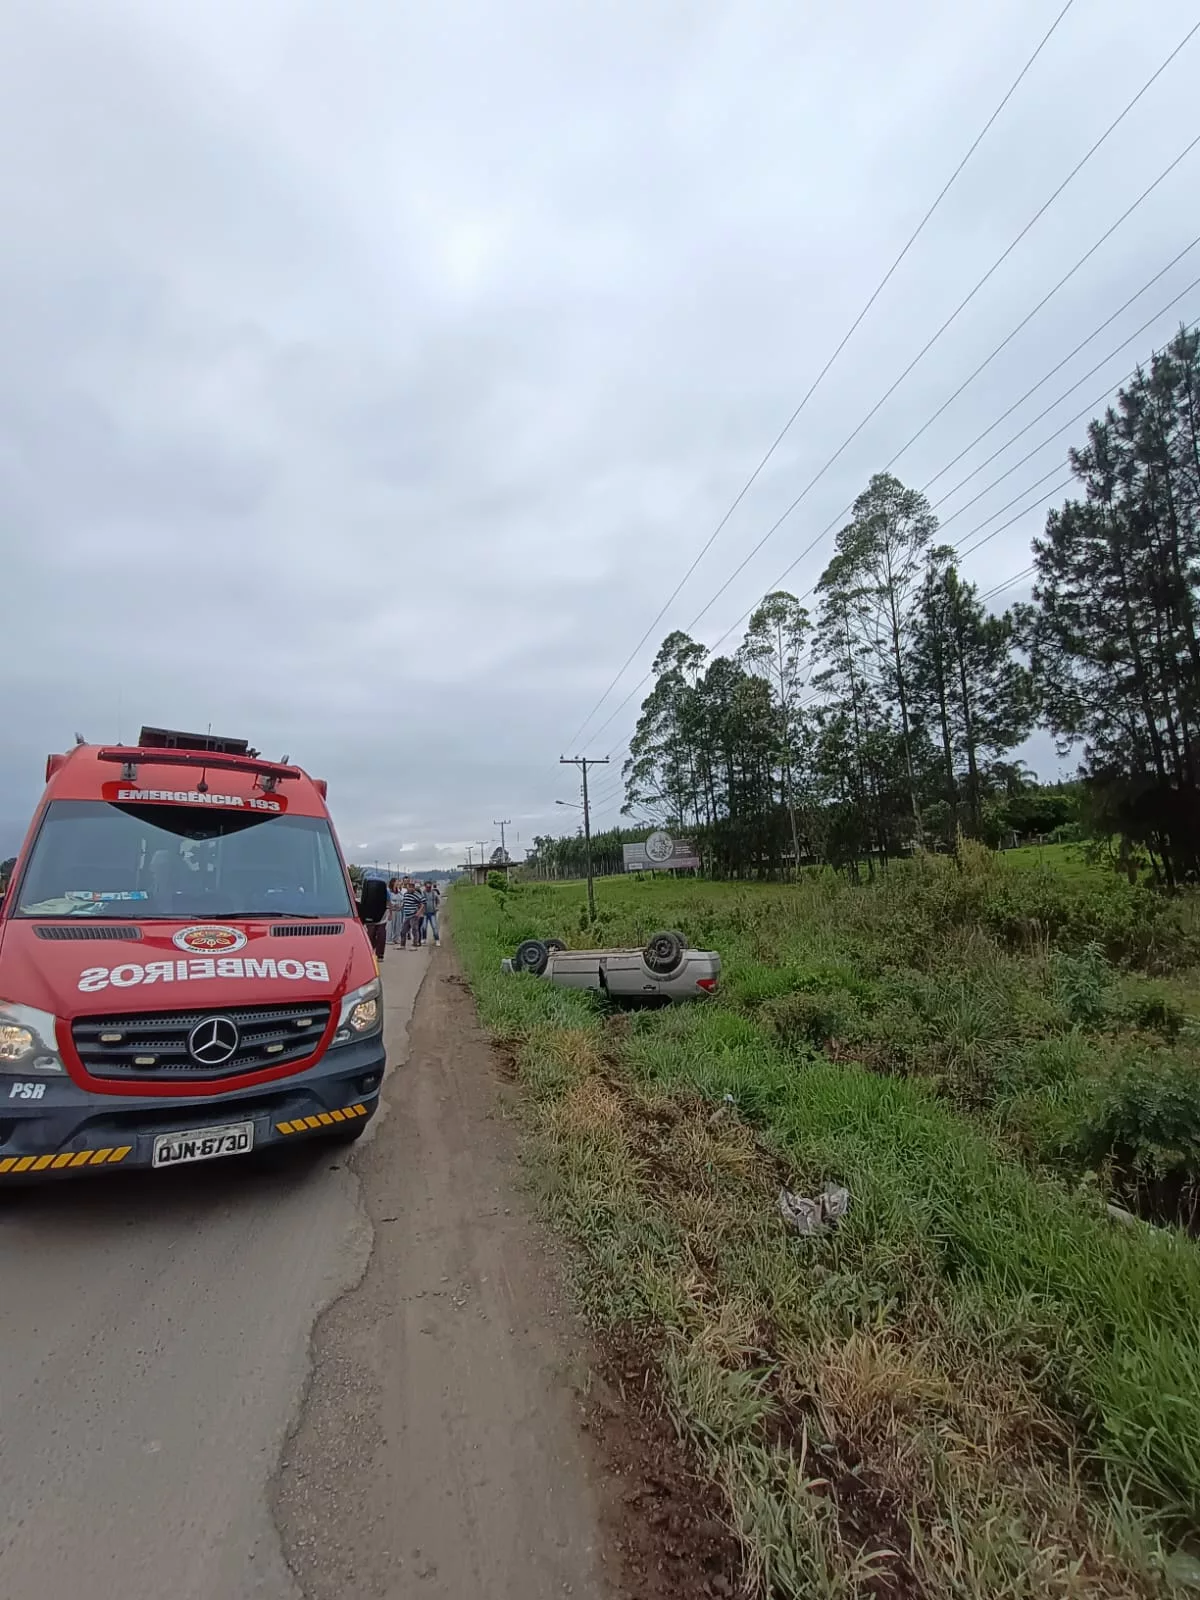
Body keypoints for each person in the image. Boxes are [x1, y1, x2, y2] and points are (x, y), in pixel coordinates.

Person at [397, 879, 424, 948]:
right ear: (407, 887)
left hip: (413, 915)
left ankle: (415, 944)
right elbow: (404, 902)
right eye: (409, 886)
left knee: (414, 930)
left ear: (414, 887)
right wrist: (401, 907)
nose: (411, 888)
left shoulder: (416, 894)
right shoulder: (406, 894)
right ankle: (402, 945)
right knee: (403, 930)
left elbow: (423, 903)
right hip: (407, 915)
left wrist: (419, 912)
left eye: (412, 887)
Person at [421, 880, 441, 947]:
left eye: (430, 887)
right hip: (425, 913)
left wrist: (437, 907)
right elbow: (420, 902)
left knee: (434, 927)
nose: (428, 888)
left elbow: (438, 901)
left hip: (432, 912)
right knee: (424, 927)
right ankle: (424, 938)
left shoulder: (434, 893)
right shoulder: (423, 893)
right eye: (427, 887)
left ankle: (437, 939)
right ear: (425, 887)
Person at [387, 877, 403, 946]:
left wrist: (401, 905)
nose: (398, 883)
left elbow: (402, 899)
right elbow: (388, 901)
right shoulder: (388, 891)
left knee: (398, 925)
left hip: (399, 910)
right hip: (392, 910)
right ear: (393, 882)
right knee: (391, 925)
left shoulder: (399, 891)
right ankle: (389, 939)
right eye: (397, 881)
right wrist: (394, 905)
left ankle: (396, 938)